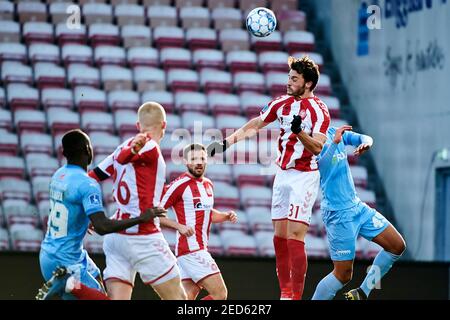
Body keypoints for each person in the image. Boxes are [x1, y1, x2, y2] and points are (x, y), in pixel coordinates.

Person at [208, 56, 330, 300]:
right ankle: (284, 292)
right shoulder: (282, 103)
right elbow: (256, 123)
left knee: (295, 235)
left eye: (294, 79)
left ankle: (295, 296)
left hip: (304, 176)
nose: (288, 82)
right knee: (279, 236)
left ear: (307, 84)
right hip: (283, 174)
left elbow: (318, 147)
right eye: (289, 77)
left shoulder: (319, 111)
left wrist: (299, 133)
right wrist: (226, 143)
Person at [36, 129, 166, 300]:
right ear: (88, 150)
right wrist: (141, 218)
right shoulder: (88, 184)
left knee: (97, 280)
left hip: (50, 253)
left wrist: (85, 219)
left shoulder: (59, 175)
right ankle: (67, 283)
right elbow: (102, 227)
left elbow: (69, 208)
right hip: (65, 261)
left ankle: (66, 283)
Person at [88, 102, 187, 300]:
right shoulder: (148, 146)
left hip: (116, 236)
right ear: (164, 125)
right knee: (180, 300)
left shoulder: (119, 148)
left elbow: (91, 177)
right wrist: (133, 150)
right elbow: (126, 158)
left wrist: (90, 212)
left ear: (137, 125)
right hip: (143, 236)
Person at [311, 125, 406, 300]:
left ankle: (362, 293)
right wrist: (335, 143)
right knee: (343, 275)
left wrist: (366, 144)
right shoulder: (310, 141)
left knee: (396, 246)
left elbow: (364, 137)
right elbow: (322, 165)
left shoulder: (332, 131)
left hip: (357, 207)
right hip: (338, 213)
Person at [159, 143, 237, 300]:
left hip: (195, 250)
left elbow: (206, 213)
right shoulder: (179, 185)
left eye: (202, 158)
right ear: (186, 162)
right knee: (220, 294)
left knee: (187, 297)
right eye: (194, 158)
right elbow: (154, 214)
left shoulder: (208, 184)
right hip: (191, 251)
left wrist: (225, 216)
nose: (199, 162)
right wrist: (178, 226)